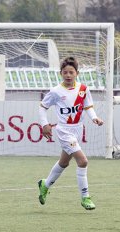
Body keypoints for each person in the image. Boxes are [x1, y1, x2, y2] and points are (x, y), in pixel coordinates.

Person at [38, 57, 104, 210]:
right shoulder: (55, 91)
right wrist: (44, 124)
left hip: (78, 129)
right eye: (65, 72)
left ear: (77, 73)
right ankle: (85, 197)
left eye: (71, 72)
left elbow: (88, 107)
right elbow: (42, 107)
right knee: (83, 161)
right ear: (61, 73)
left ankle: (45, 185)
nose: (68, 75)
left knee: (64, 162)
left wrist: (95, 118)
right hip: (64, 130)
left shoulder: (83, 89)